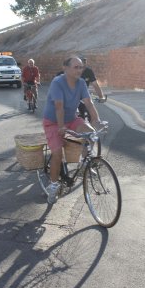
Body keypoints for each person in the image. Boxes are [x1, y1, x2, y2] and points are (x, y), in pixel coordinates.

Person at [43, 55, 101, 204]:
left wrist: (97, 120)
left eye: (81, 67)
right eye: (76, 67)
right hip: (53, 122)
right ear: (66, 68)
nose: (80, 70)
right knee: (57, 154)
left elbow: (88, 103)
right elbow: (59, 106)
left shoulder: (81, 83)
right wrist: (61, 126)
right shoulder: (58, 82)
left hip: (72, 119)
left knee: (91, 133)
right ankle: (53, 185)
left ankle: (83, 165)